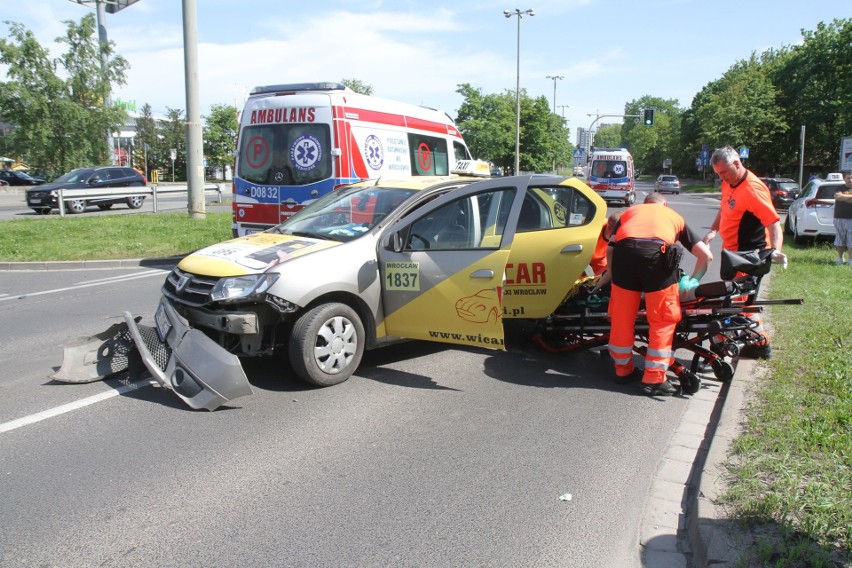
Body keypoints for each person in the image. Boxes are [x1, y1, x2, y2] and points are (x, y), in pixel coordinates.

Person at [602, 193, 713, 396]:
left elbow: (610, 250)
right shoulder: (673, 216)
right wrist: (693, 281)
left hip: (624, 256)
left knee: (622, 316)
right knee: (663, 317)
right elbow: (706, 256)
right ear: (665, 204)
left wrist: (613, 276)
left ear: (645, 204)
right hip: (655, 256)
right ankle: (654, 378)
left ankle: (622, 370)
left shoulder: (629, 213)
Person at [702, 146, 787, 359]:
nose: (721, 178)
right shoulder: (728, 183)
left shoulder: (752, 189)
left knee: (735, 305)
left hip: (749, 256)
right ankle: (753, 343)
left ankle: (743, 345)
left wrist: (775, 251)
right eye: (718, 174)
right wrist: (713, 230)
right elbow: (723, 209)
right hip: (731, 255)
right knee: (738, 304)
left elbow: (774, 224)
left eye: (724, 173)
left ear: (737, 164)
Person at [588, 211, 622, 277]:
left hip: (599, 262)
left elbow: (609, 264)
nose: (610, 231)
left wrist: (593, 277)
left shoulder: (621, 239)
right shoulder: (597, 226)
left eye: (613, 229)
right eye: (609, 227)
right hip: (584, 257)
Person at [833, 171, 852, 265]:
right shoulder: (839, 187)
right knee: (840, 239)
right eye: (848, 178)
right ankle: (840, 258)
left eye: (851, 178)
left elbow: (841, 197)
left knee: (851, 240)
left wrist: (843, 197)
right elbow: (837, 197)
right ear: (844, 179)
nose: (850, 180)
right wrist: (849, 198)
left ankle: (850, 260)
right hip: (839, 217)